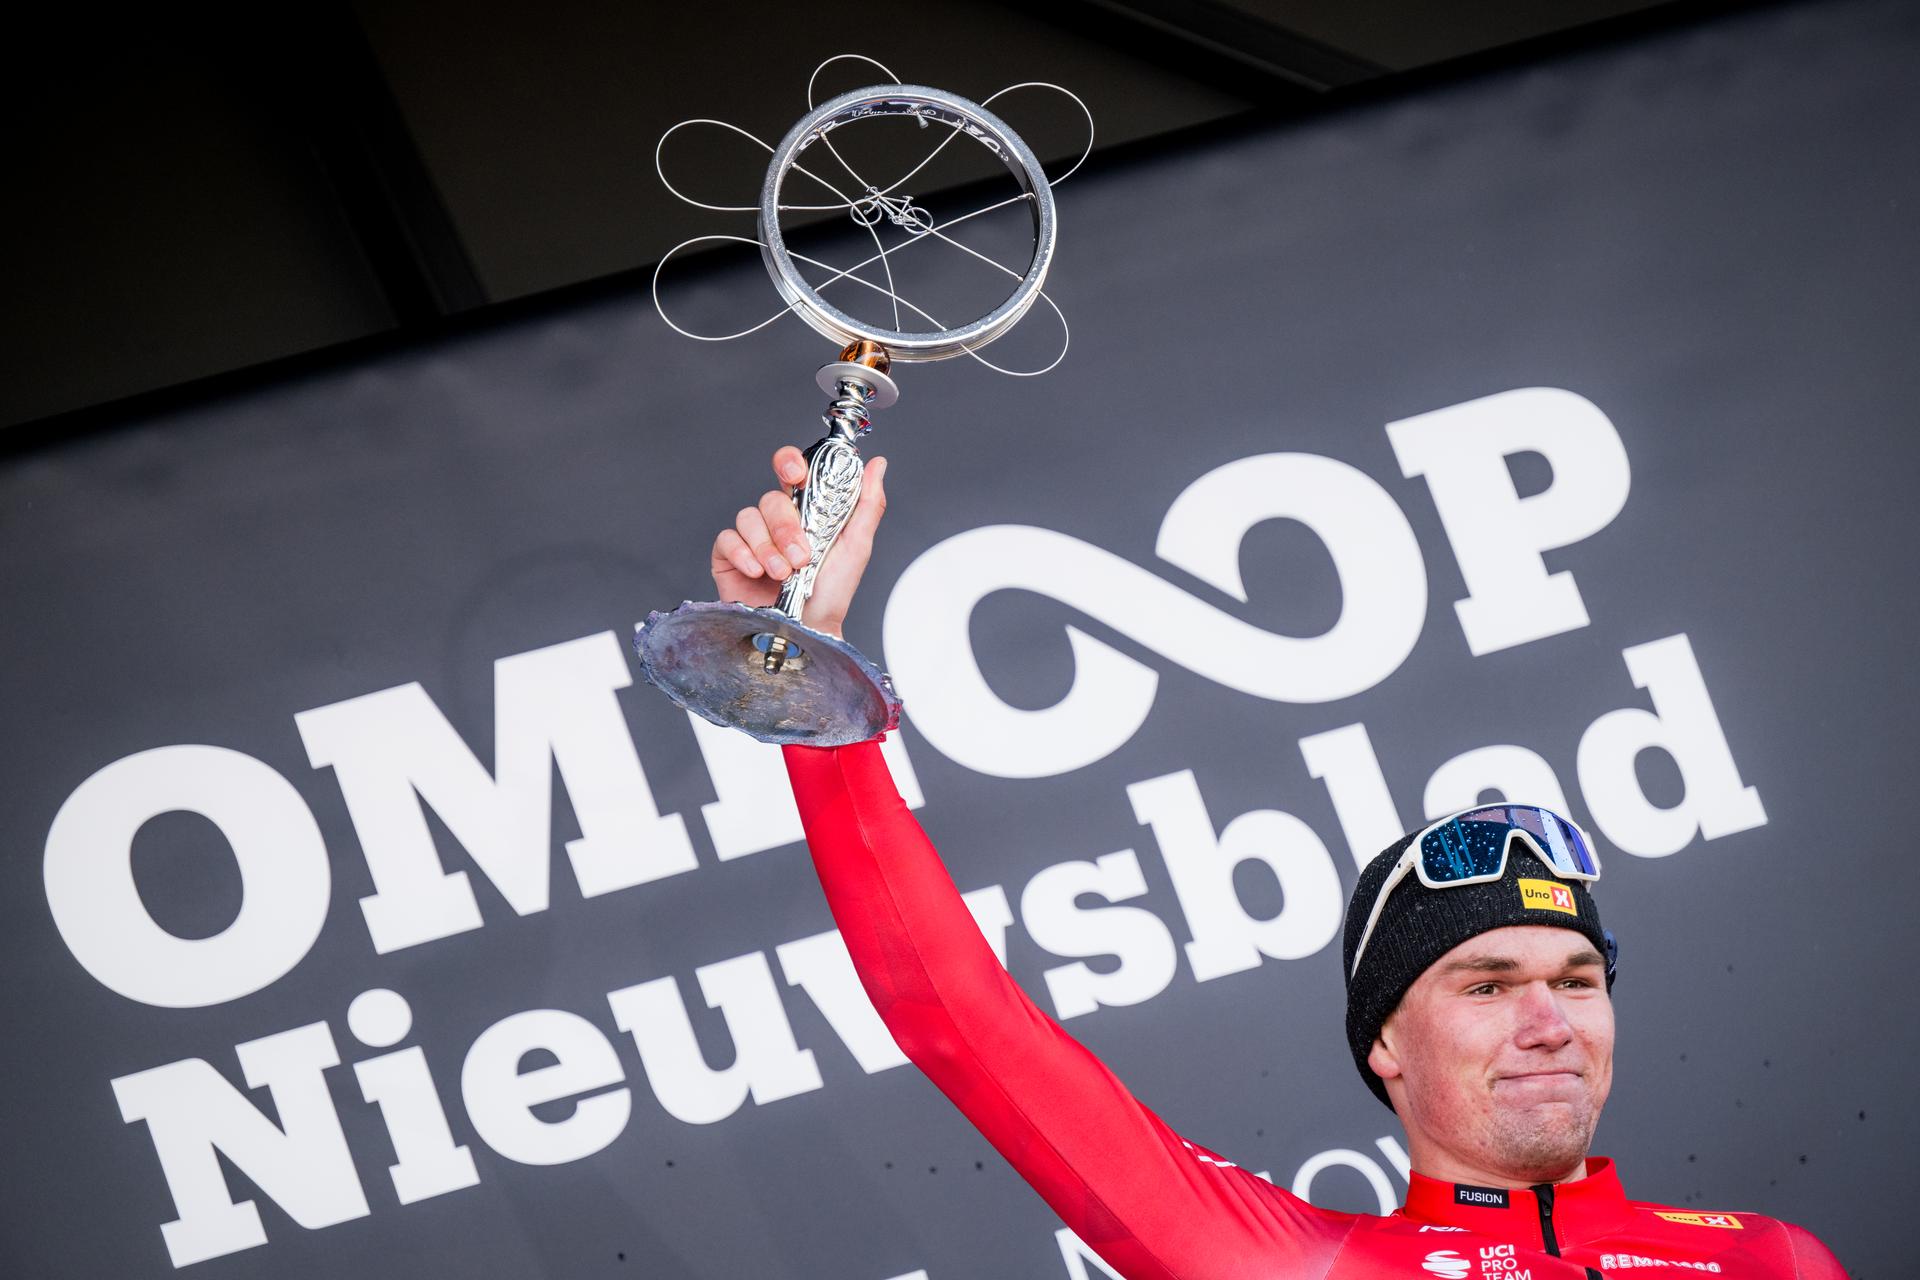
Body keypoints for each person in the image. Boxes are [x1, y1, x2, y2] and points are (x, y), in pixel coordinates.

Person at [709, 446, 1848, 1279]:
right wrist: (815, 692)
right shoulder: (1297, 1263)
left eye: (1577, 978)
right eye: (1488, 984)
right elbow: (963, 1021)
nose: (1550, 1018)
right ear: (1387, 1042)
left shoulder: (1778, 1258)